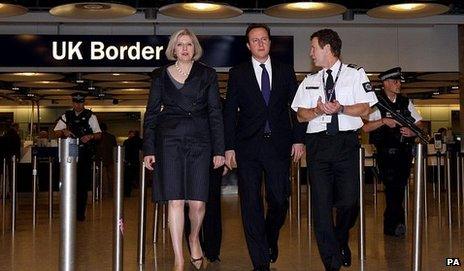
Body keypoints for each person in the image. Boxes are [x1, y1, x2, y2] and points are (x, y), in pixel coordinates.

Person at [291, 29, 377, 271]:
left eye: (313, 48)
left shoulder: (355, 74)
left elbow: (365, 109)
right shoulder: (309, 81)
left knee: (349, 202)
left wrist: (340, 109)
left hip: (345, 144)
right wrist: (317, 111)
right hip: (318, 146)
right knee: (321, 206)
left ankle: (340, 238)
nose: (310, 53)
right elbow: (299, 115)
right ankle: (331, 262)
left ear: (327, 48)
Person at [223, 23, 306, 271]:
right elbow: (229, 113)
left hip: (279, 146)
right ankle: (260, 262)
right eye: (255, 40)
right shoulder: (237, 73)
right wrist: (228, 147)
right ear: (248, 46)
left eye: (264, 39)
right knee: (250, 204)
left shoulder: (285, 71)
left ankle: (270, 237)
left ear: (270, 42)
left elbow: (297, 108)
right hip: (247, 147)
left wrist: (299, 139)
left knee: (279, 200)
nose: (260, 43)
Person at [143, 28, 225, 271]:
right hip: (168, 142)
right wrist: (149, 148)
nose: (185, 48)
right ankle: (179, 258)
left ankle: (193, 237)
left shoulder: (207, 74)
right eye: (180, 44)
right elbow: (151, 114)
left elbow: (215, 113)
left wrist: (219, 149)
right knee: (175, 201)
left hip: (200, 141)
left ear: (195, 48)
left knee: (198, 203)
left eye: (189, 44)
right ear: (173, 49)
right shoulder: (159, 76)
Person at [362, 67, 422, 237]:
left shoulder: (405, 102)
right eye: (396, 81)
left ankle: (392, 225)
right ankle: (397, 224)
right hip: (385, 153)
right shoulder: (376, 103)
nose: (399, 84)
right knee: (392, 187)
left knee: (400, 187)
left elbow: (419, 123)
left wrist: (412, 132)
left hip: (404, 152)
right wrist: (383, 121)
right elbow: (365, 127)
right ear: (386, 83)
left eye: (399, 81)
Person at [54, 92, 102, 221]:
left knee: (82, 185)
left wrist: (90, 136)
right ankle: (69, 211)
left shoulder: (90, 116)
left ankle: (80, 213)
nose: (78, 105)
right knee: (69, 183)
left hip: (85, 153)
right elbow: (56, 132)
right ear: (72, 103)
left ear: (84, 103)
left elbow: (98, 134)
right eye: (76, 102)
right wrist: (64, 132)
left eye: (80, 102)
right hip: (70, 152)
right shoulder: (66, 115)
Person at [96, 122, 117, 197]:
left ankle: (105, 192)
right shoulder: (111, 137)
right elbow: (114, 148)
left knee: (103, 177)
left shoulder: (98, 137)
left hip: (101, 159)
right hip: (110, 159)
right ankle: (113, 192)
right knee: (111, 177)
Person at [123, 130, 142, 197]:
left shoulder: (127, 142)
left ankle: (127, 193)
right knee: (135, 177)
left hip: (128, 162)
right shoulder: (139, 141)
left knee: (127, 179)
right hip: (136, 162)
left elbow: (125, 153)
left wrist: (125, 161)